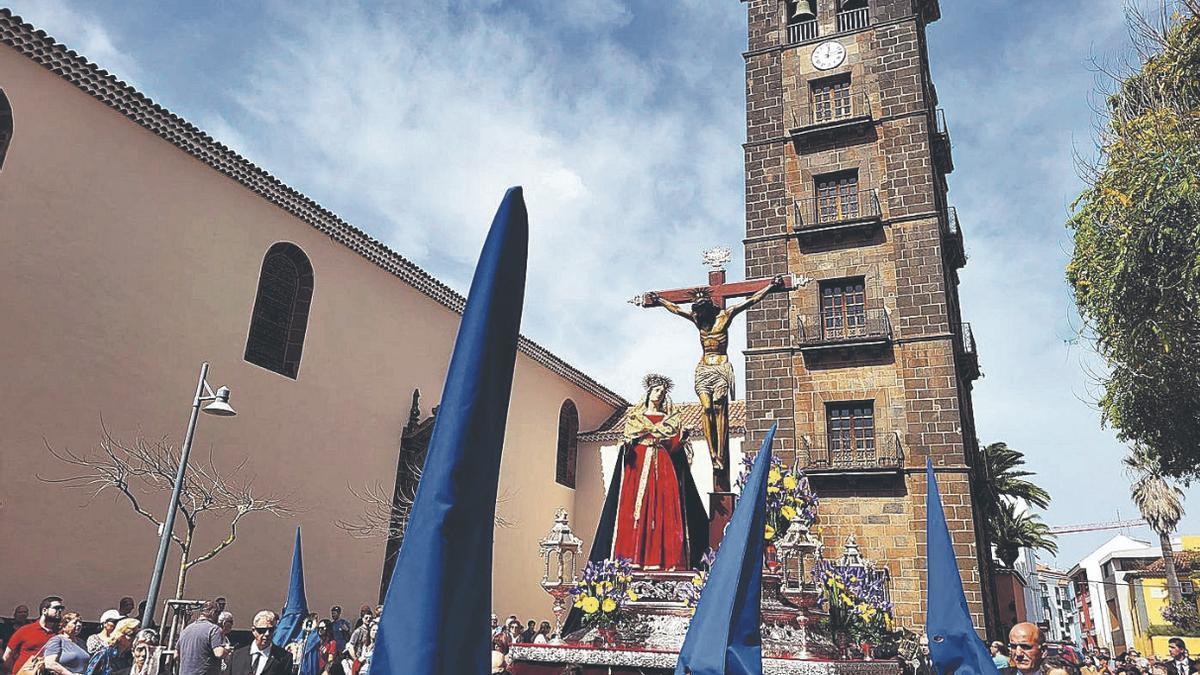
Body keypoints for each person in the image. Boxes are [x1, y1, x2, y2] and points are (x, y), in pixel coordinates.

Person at [641, 275, 784, 491]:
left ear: (709, 308)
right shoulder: (699, 320)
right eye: (696, 312)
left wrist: (770, 287)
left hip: (720, 368)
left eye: (701, 311)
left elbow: (751, 300)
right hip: (703, 370)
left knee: (719, 405)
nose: (698, 316)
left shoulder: (725, 316)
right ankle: (713, 453)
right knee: (706, 408)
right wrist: (660, 300)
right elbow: (677, 310)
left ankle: (721, 453)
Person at [611, 374, 699, 570]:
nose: (659, 394)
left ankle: (664, 560)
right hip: (640, 462)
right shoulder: (635, 418)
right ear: (649, 392)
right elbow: (629, 441)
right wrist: (627, 445)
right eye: (656, 390)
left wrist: (682, 437)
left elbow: (673, 447)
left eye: (662, 392)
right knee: (637, 509)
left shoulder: (670, 421)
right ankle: (633, 560)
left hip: (662, 463)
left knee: (663, 507)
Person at [4, 596, 65, 675]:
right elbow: (8, 655)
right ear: (44, 610)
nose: (60, 611)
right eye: (56, 608)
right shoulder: (25, 630)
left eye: (61, 608)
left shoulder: (59, 634)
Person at [176, 602, 227, 675]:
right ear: (213, 613)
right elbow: (219, 653)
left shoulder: (186, 630)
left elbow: (176, 655)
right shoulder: (214, 629)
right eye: (218, 614)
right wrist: (227, 651)